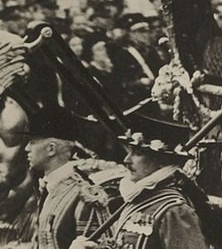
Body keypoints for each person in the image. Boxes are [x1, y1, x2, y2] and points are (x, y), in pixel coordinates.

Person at [70, 109, 210, 249]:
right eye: (129, 151)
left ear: (162, 160)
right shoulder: (137, 196)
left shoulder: (174, 211)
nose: (126, 160)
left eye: (137, 153)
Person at [18, 105, 110, 249]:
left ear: (51, 148)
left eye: (32, 141)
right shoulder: (49, 188)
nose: (26, 148)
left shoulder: (84, 196)